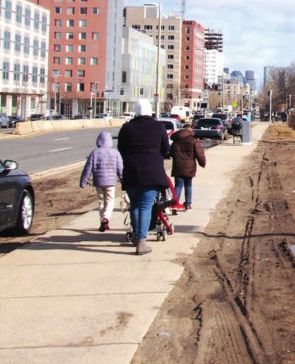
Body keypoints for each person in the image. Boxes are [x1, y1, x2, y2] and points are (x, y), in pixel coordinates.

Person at [117, 99, 171, 255]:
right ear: (150, 110)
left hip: (131, 170)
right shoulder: (158, 126)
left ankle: (136, 235)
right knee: (145, 206)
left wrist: (131, 158)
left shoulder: (126, 128)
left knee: (134, 205)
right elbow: (166, 148)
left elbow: (121, 148)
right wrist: (155, 157)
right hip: (151, 171)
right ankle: (141, 241)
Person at [79, 131, 123, 232]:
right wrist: (123, 180)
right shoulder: (115, 153)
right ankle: (106, 218)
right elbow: (120, 169)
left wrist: (83, 182)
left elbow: (87, 169)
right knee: (110, 201)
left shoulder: (94, 153)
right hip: (110, 182)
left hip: (98, 182)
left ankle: (103, 221)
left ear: (98, 141)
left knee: (101, 201)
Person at [169, 123, 206, 211]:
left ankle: (175, 204)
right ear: (190, 131)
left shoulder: (175, 141)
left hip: (178, 166)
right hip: (189, 167)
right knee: (188, 186)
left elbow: (171, 153)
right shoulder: (193, 141)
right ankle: (188, 205)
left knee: (178, 186)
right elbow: (199, 154)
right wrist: (202, 163)